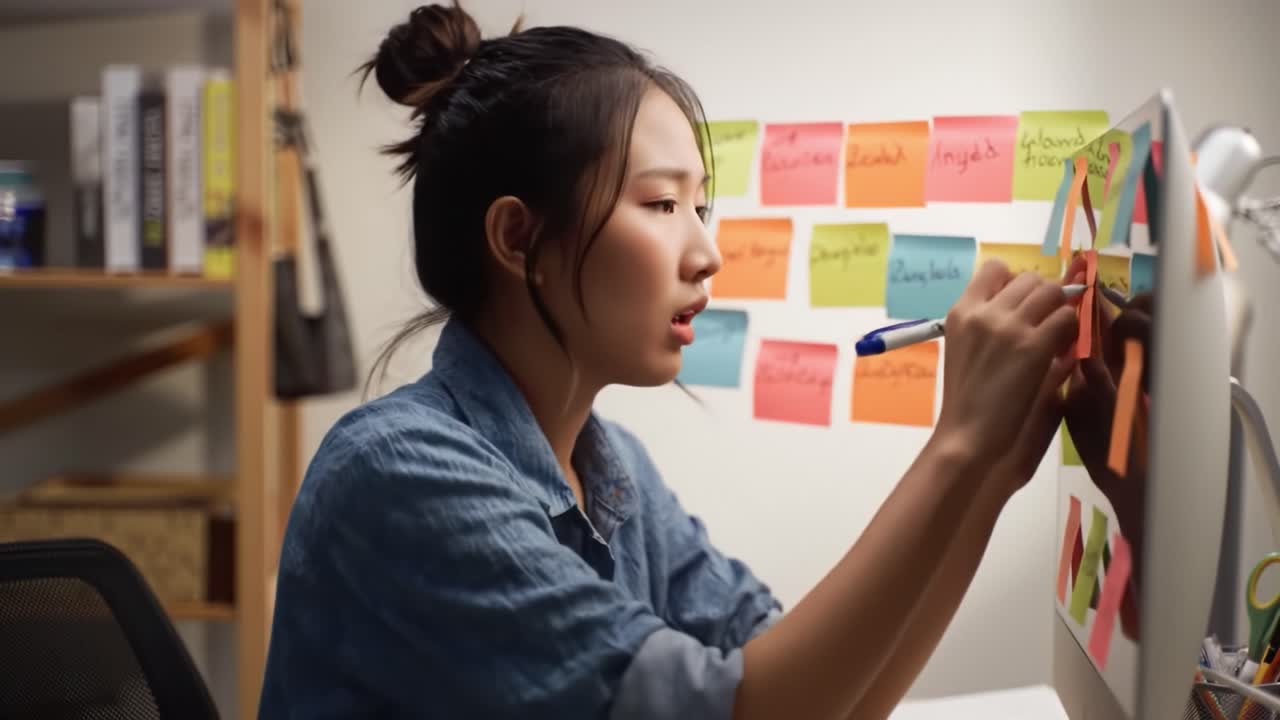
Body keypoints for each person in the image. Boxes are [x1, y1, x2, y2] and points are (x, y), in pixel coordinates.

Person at [259, 4, 1082, 718]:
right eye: (660, 204)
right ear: (518, 239)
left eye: (701, 206)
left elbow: (827, 699)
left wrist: (987, 480)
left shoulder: (613, 473)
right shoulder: (399, 476)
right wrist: (958, 448)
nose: (708, 252)